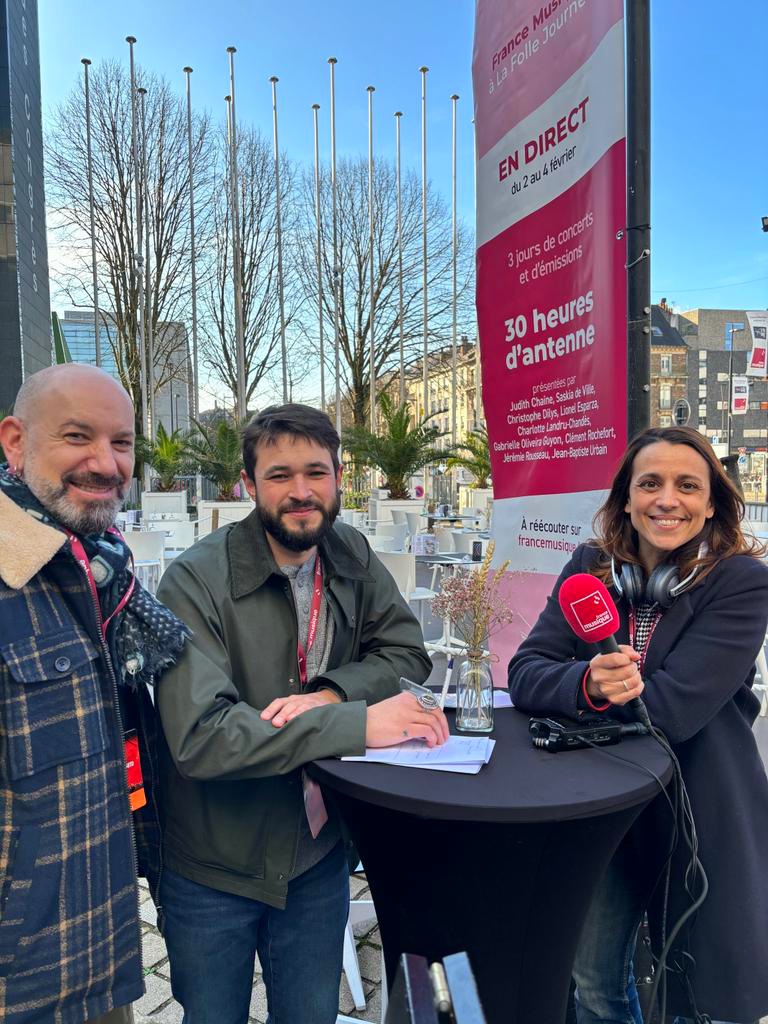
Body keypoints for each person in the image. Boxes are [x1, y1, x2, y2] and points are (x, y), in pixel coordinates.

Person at [155, 403, 449, 1024]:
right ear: (248, 485)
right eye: (279, 475)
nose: (300, 492)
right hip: (214, 863)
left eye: (316, 472)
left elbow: (404, 653)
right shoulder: (193, 581)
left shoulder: (350, 553)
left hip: (315, 856)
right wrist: (357, 723)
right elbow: (203, 738)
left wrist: (334, 694)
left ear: (341, 477)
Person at [508, 427, 768, 1024]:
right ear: (626, 497)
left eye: (686, 486)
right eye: (649, 483)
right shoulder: (587, 568)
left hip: (697, 810)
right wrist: (587, 684)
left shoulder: (741, 582)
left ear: (710, 503)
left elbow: (672, 713)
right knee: (594, 981)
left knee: (693, 994)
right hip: (600, 811)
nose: (666, 499)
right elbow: (525, 671)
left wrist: (578, 689)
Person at [0, 365, 189, 1024]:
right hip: (21, 982)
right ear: (16, 443)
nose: (106, 463)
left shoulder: (102, 571)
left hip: (99, 955)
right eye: (78, 436)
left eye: (123, 443)